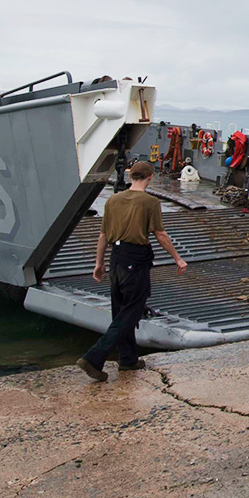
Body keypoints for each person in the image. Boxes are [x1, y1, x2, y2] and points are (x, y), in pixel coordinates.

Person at [80, 160, 187, 380]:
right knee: (132, 311)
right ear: (150, 177)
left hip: (116, 258)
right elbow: (160, 234)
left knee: (121, 311)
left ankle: (127, 360)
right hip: (136, 260)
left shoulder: (112, 200)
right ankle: (93, 357)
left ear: (131, 177)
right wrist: (177, 258)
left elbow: (103, 236)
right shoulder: (150, 202)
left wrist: (99, 263)